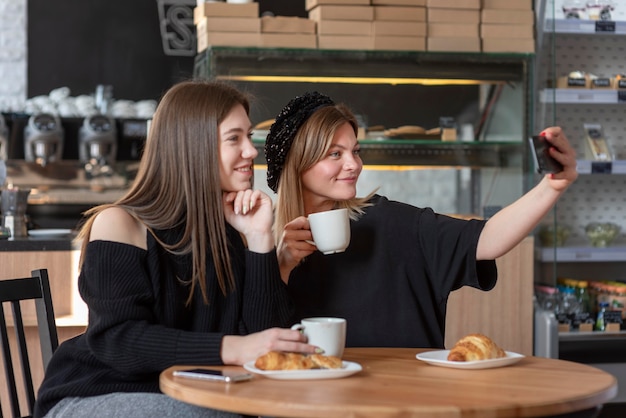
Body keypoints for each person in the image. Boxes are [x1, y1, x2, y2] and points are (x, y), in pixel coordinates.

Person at [34, 80, 318, 418]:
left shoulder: (232, 230)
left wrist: (260, 241)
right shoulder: (121, 224)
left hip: (190, 396)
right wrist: (233, 347)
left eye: (249, 137)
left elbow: (260, 349)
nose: (251, 151)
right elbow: (119, 339)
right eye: (234, 139)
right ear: (192, 145)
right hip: (95, 394)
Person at [265, 91, 578, 349]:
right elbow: (255, 338)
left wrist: (552, 186)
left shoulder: (393, 223)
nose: (354, 165)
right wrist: (282, 265)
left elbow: (486, 239)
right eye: (335, 154)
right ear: (299, 163)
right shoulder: (262, 242)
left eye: (355, 151)